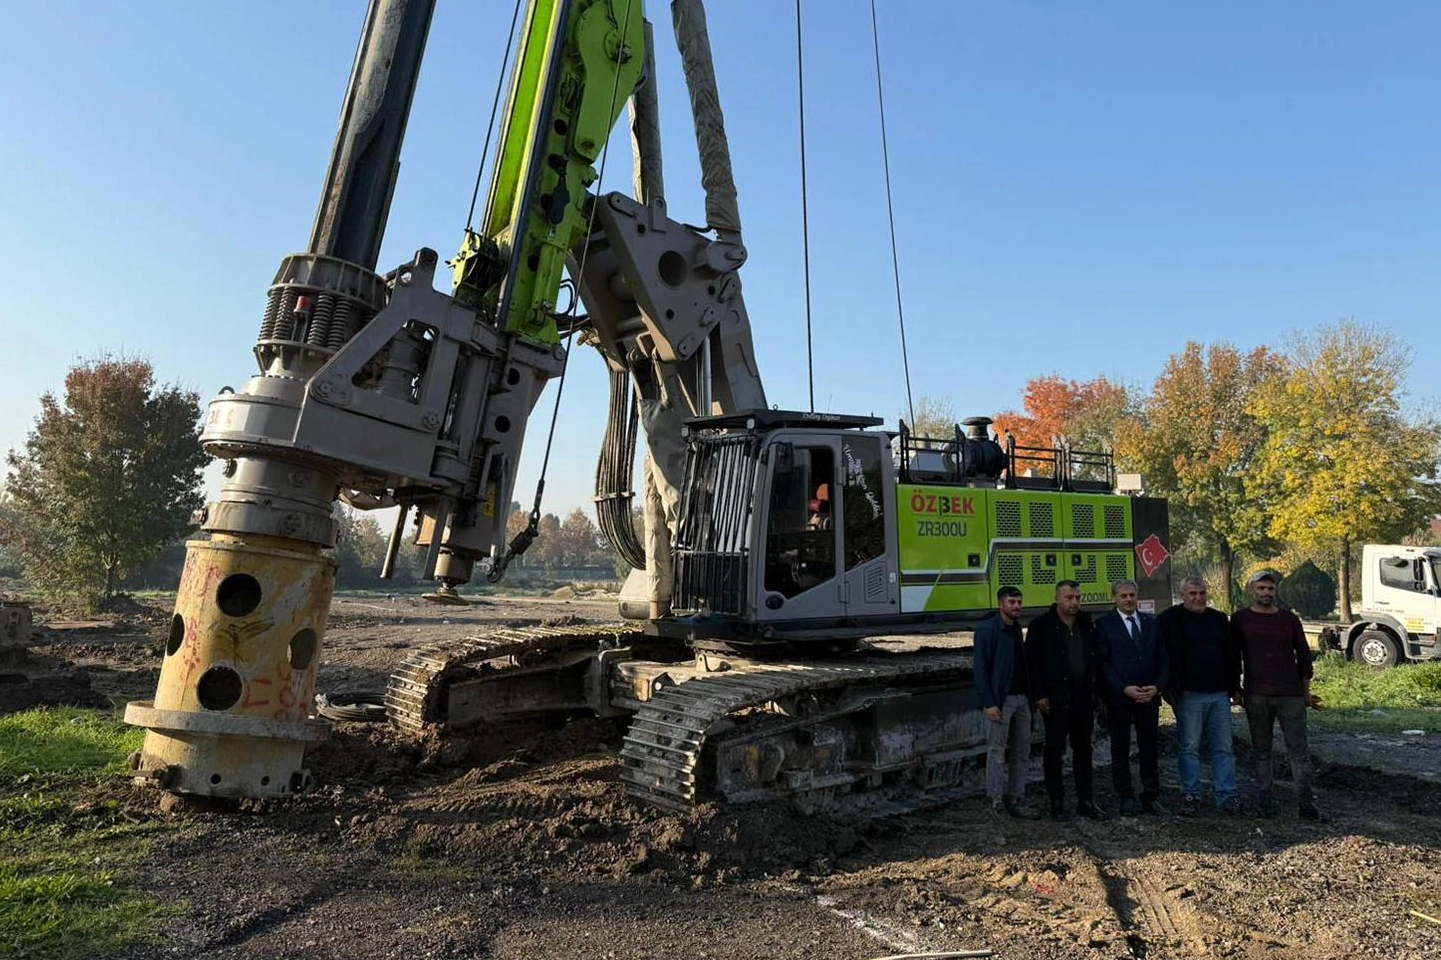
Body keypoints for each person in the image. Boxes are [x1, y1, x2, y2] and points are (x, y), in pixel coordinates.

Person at [1232, 571, 1321, 820]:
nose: (1266, 593)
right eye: (1261, 588)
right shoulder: (1241, 619)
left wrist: (1305, 692)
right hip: (1256, 694)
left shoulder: (1289, 620)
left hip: (1290, 694)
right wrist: (1236, 689)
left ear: (1275, 591)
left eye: (1270, 588)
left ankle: (1306, 804)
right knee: (1262, 750)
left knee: (1299, 751)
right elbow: (1233, 656)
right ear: (1252, 590)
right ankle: (1266, 803)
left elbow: (1303, 655)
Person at [1160, 575, 1242, 817]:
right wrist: (1166, 688)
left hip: (1219, 695)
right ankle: (1191, 793)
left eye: (1201, 593)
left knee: (1224, 748)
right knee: (1189, 747)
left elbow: (1231, 655)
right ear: (1182, 595)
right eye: (1192, 594)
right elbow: (1162, 654)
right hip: (1188, 695)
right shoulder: (1169, 620)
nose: (1198, 598)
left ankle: (1227, 795)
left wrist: (1235, 686)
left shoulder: (1218, 620)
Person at [1025, 580, 1108, 820]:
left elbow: (1095, 661)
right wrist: (1039, 694)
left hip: (1083, 700)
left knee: (1084, 751)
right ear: (1057, 598)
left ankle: (1086, 801)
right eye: (1069, 598)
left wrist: (1097, 695)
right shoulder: (1041, 626)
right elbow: (1033, 664)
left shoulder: (1087, 624)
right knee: (1054, 752)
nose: (1074, 602)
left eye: (1077, 598)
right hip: (1056, 702)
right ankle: (1057, 803)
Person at [1095, 579, 1168, 816]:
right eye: (1123, 596)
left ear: (1137, 596)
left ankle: (1151, 796)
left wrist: (1157, 687)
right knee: (1121, 748)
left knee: (1149, 747)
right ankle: (1125, 796)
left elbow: (1164, 658)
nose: (1128, 600)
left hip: (1149, 696)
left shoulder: (1151, 623)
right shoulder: (1104, 625)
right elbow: (1103, 663)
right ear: (1114, 598)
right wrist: (1122, 688)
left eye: (1132, 595)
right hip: (1121, 699)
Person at [973, 585, 1038, 818]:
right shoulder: (988, 630)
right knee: (996, 751)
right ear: (1001, 604)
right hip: (1001, 702)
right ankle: (995, 799)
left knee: (1022, 750)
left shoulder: (1015, 629)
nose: (1017, 606)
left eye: (1019, 602)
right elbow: (980, 670)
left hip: (1022, 700)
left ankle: (1016, 796)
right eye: (1012, 602)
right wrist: (990, 703)